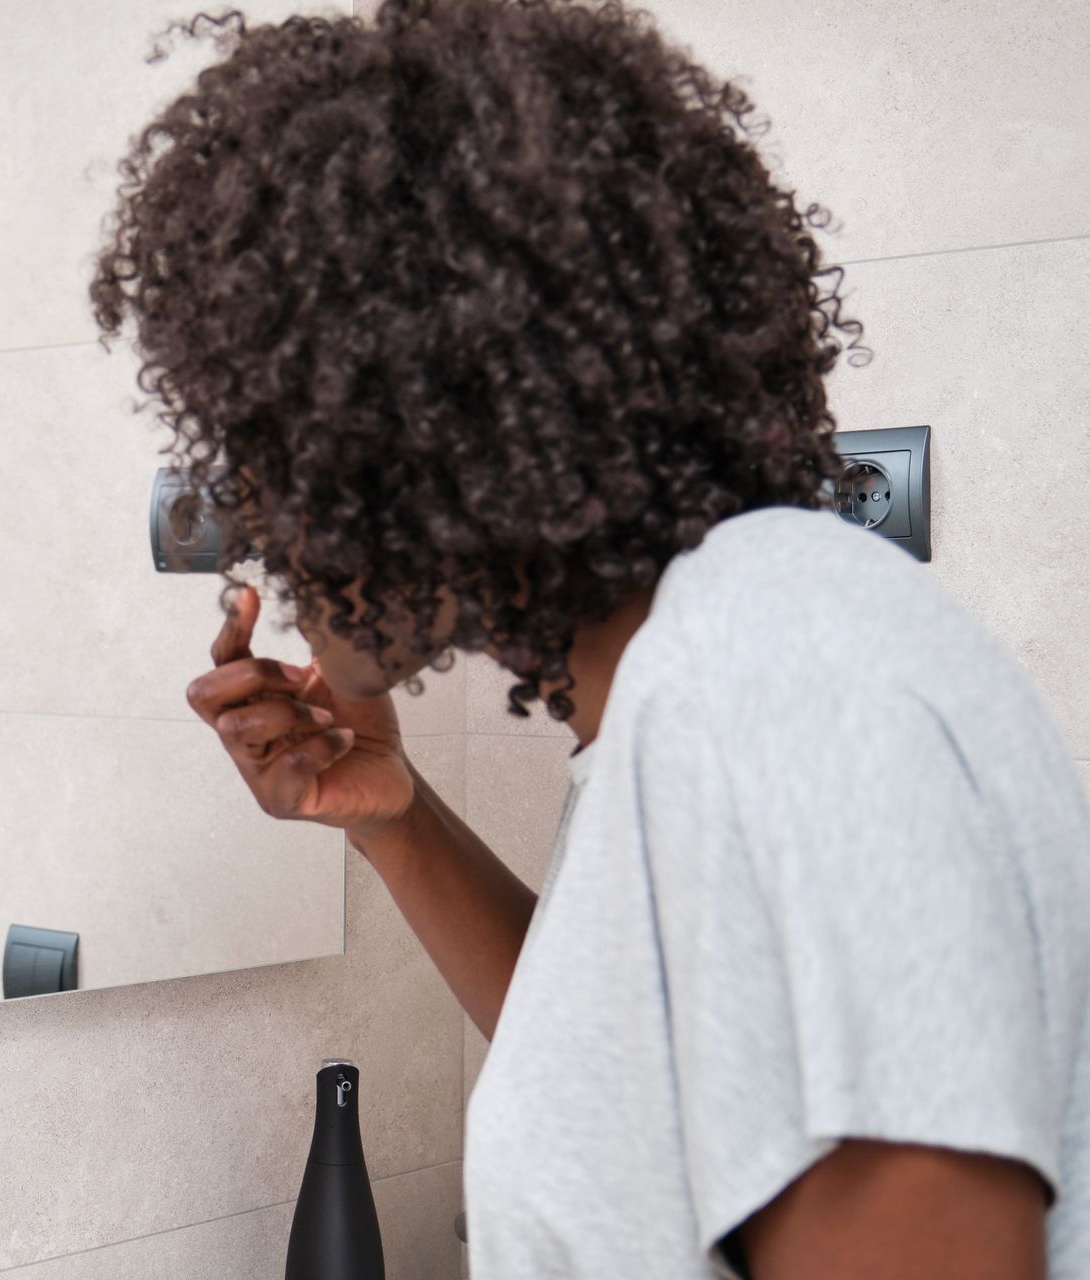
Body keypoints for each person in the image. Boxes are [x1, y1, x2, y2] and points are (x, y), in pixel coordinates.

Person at [92, 2, 1088, 1276]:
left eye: (277, 445)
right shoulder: (687, 684)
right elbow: (637, 1089)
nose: (259, 519)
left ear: (426, 422)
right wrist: (396, 816)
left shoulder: (780, 681)